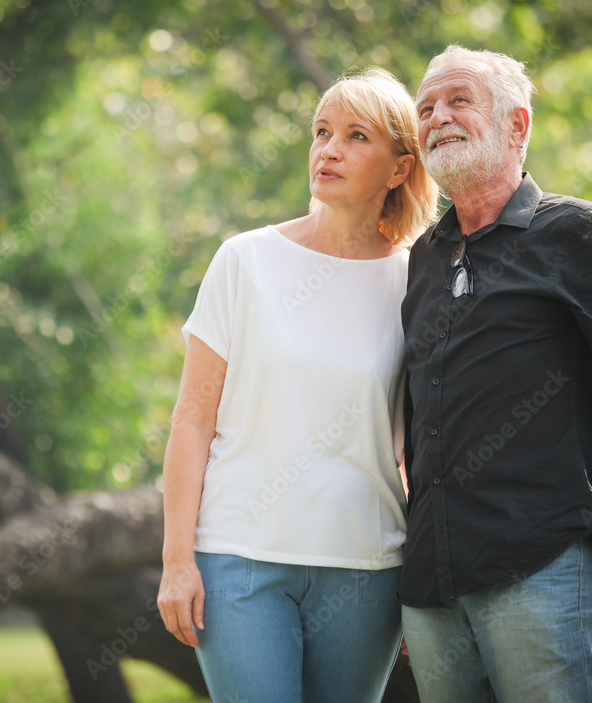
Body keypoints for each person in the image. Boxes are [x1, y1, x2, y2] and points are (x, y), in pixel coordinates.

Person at [398, 45, 592, 703]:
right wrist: (419, 576)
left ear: (517, 124)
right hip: (432, 587)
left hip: (542, 562)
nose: (436, 116)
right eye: (425, 108)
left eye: (458, 100)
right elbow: (416, 422)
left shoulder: (575, 232)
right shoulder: (421, 259)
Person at [157, 66, 438, 703]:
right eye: (321, 131)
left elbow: (414, 442)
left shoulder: (414, 280)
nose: (328, 149)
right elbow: (192, 421)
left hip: (366, 565)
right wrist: (178, 561)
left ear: (399, 168)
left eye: (355, 136)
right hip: (238, 557)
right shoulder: (245, 260)